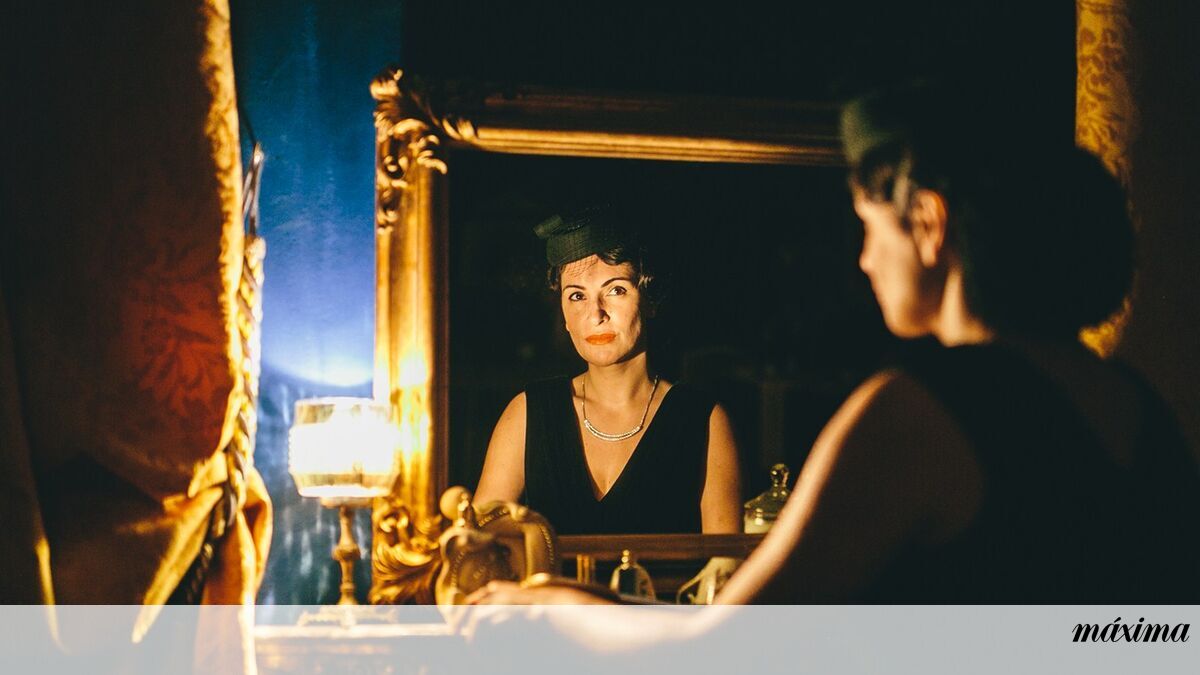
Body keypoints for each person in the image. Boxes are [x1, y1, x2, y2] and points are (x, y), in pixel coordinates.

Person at [469, 83, 1200, 604]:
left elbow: (735, 645)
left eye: (871, 227)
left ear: (928, 224)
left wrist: (559, 605)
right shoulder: (1139, 409)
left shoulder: (915, 417)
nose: (865, 260)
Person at [473, 206, 743, 535]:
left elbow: (725, 560)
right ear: (564, 316)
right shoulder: (527, 413)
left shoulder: (705, 420)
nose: (596, 314)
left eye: (616, 290)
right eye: (577, 296)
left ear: (649, 299)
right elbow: (477, 543)